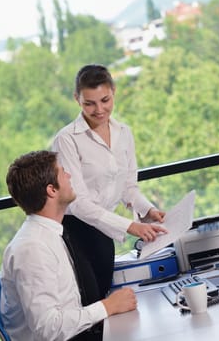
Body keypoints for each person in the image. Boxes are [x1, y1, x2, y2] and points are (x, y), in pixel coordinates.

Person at [52, 64, 167, 305]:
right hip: (75, 231)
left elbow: (128, 186)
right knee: (90, 303)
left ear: (113, 91)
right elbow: (78, 203)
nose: (99, 109)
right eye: (89, 103)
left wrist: (147, 210)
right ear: (77, 99)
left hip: (104, 230)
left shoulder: (124, 133)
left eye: (105, 100)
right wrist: (130, 226)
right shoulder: (67, 139)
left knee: (103, 294)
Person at [0, 150, 137, 341]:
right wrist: (108, 306)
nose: (69, 175)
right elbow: (48, 328)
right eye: (63, 172)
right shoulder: (32, 249)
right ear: (52, 190)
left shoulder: (52, 233)